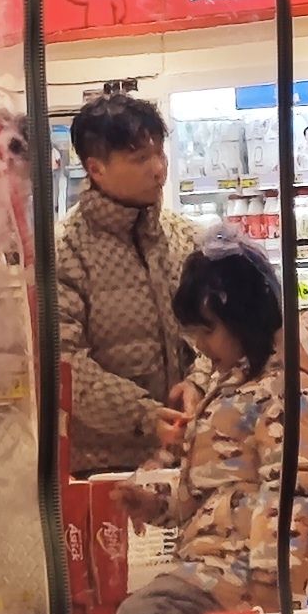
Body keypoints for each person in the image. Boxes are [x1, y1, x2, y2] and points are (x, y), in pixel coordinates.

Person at [112, 236, 308, 614]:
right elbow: (211, 488)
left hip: (241, 575)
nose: (200, 345)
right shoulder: (236, 378)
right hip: (216, 566)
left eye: (207, 331)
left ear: (243, 316)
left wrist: (270, 596)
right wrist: (154, 503)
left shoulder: (285, 389)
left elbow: (293, 496)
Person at [56, 91, 197, 475]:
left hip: (194, 459)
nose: (159, 169)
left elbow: (223, 333)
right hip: (106, 468)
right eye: (140, 159)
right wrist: (145, 415)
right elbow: (64, 365)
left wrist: (198, 384)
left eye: (160, 153)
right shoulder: (65, 251)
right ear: (96, 168)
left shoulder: (185, 237)